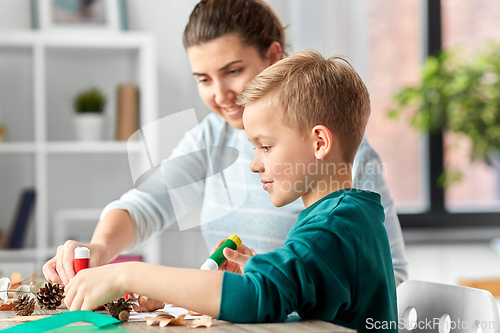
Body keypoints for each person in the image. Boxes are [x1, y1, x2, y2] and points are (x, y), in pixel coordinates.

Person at [43, 0, 407, 287]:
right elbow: (146, 204)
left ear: (272, 56)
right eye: (203, 79)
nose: (220, 95)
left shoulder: (342, 159)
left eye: (233, 71)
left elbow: (389, 275)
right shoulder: (211, 137)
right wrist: (99, 249)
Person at [64, 50, 398, 332]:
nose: (254, 164)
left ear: (319, 142)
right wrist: (265, 268)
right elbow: (310, 293)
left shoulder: (333, 225)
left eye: (265, 146)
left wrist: (127, 274)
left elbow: (257, 297)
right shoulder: (348, 215)